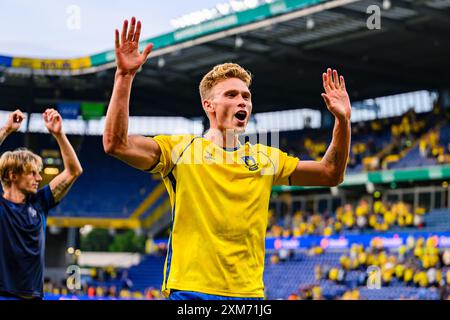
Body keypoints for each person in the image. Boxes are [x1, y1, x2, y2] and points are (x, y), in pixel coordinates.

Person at [103, 17, 351, 300]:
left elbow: (331, 173)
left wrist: (342, 122)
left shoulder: (265, 157)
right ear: (208, 105)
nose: (242, 101)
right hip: (191, 292)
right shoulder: (179, 150)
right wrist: (124, 77)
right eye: (231, 94)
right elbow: (116, 144)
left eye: (246, 95)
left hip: (249, 295)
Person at [0, 109, 83, 300]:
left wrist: (59, 134)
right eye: (32, 173)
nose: (39, 178)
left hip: (35, 296)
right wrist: (5, 129)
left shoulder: (39, 202)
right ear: (13, 176)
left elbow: (74, 171)